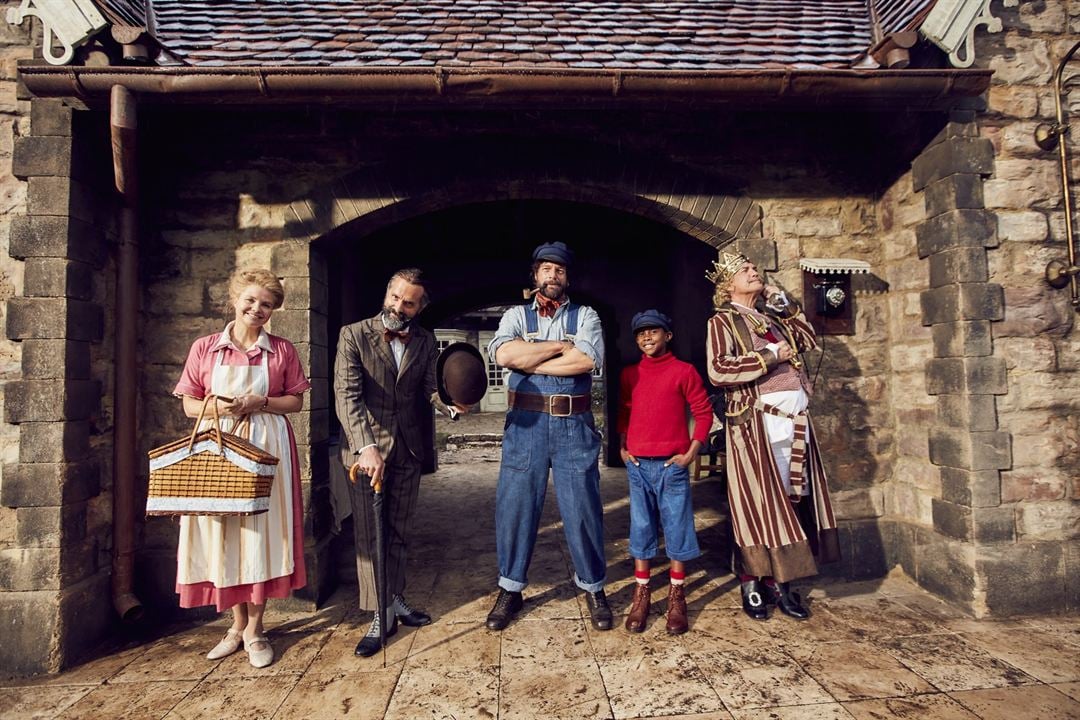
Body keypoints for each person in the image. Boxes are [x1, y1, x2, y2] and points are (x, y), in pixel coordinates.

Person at [173, 268, 311, 668]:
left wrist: (259, 403)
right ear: (234, 300)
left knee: (260, 533)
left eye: (266, 304)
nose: (257, 309)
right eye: (251, 300)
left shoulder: (282, 350)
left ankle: (256, 629)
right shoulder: (205, 349)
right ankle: (235, 627)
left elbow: (296, 402)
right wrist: (220, 406)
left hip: (267, 446)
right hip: (217, 449)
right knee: (224, 532)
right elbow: (189, 405)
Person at [705, 251, 840, 621]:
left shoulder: (772, 317)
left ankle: (782, 582)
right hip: (755, 424)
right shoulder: (723, 322)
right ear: (728, 284)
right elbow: (718, 371)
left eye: (753, 268)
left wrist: (789, 308)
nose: (754, 272)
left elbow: (810, 341)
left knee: (791, 498)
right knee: (758, 503)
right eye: (745, 270)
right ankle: (752, 580)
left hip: (794, 421)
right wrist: (769, 356)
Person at [334, 268, 461, 657]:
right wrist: (365, 447)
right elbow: (347, 396)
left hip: (408, 449)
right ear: (387, 293)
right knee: (372, 536)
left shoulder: (425, 339)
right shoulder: (353, 334)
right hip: (366, 454)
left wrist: (450, 407)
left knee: (400, 531)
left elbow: (428, 390)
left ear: (419, 307)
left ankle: (396, 599)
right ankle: (378, 614)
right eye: (395, 297)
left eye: (408, 302)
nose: (398, 307)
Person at [485, 241, 611, 632]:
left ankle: (593, 586)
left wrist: (532, 353)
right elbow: (505, 356)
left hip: (574, 425)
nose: (552, 276)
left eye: (559, 270)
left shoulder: (586, 314)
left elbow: (588, 360)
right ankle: (511, 588)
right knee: (516, 506)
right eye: (545, 269)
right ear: (535, 275)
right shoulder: (514, 314)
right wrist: (560, 347)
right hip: (526, 424)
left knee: (583, 507)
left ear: (567, 277)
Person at [617, 310, 713, 635]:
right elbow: (624, 412)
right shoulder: (631, 374)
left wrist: (691, 452)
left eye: (653, 332)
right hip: (638, 465)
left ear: (667, 335)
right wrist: (623, 446)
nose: (647, 338)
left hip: (672, 465)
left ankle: (676, 595)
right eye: (641, 333)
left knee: (677, 527)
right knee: (641, 527)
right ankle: (641, 594)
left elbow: (703, 412)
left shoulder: (683, 372)